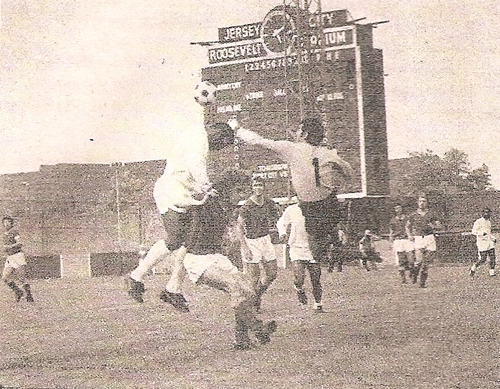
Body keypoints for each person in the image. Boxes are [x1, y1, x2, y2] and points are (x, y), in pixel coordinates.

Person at [125, 121, 228, 311]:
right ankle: (138, 277)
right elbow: (196, 166)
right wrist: (207, 187)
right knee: (178, 239)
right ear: (216, 133)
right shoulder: (200, 140)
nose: (218, 147)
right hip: (172, 190)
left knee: (188, 241)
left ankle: (171, 287)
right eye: (221, 142)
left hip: (181, 190)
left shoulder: (197, 136)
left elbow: (189, 172)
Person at [229, 117, 352, 274]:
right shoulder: (327, 153)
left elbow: (258, 141)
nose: (296, 132)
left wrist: (237, 129)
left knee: (316, 253)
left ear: (305, 134)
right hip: (329, 202)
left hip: (310, 206)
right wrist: (339, 184)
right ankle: (335, 237)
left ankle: (333, 240)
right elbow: (348, 170)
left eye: (299, 130)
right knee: (320, 245)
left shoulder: (291, 149)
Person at [183, 170, 277, 350]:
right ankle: (258, 328)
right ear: (228, 188)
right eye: (239, 190)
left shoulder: (227, 206)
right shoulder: (207, 202)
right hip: (197, 258)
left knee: (248, 290)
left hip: (217, 257)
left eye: (244, 190)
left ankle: (241, 340)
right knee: (234, 286)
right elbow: (189, 199)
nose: (242, 195)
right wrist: (201, 193)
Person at [236, 177, 280, 312]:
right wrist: (244, 247)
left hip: (265, 239)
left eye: (260, 185)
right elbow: (239, 227)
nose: (258, 188)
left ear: (264, 187)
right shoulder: (247, 206)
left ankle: (257, 296)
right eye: (256, 185)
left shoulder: (268, 202)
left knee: (272, 273)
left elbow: (277, 214)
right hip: (251, 242)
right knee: (254, 277)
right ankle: (252, 303)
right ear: (252, 187)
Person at [277, 199, 324, 312]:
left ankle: (318, 304)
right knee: (299, 276)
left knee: (316, 277)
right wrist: (282, 233)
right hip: (296, 247)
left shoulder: (316, 209)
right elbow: (281, 222)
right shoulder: (292, 209)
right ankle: (299, 288)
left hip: (312, 248)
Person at [406, 193, 442, 288]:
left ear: (427, 203)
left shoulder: (431, 214)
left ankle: (422, 283)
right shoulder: (413, 215)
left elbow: (439, 226)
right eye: (420, 201)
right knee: (419, 261)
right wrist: (409, 235)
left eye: (424, 201)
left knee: (426, 263)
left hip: (429, 237)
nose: (422, 203)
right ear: (417, 203)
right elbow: (407, 226)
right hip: (419, 238)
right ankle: (414, 274)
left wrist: (433, 226)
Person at [2, 216, 34, 302]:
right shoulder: (5, 234)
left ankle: (29, 296)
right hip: (10, 257)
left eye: (8, 222)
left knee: (21, 278)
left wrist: (9, 247)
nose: (6, 224)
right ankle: (18, 291)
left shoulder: (14, 232)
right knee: (5, 278)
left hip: (18, 256)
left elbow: (20, 243)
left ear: (11, 223)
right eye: (4, 222)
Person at [389, 204, 415, 284]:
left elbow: (412, 227)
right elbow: (391, 231)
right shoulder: (393, 220)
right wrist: (391, 241)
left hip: (407, 240)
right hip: (398, 240)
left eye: (399, 208)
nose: (398, 210)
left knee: (411, 259)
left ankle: (412, 273)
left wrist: (412, 236)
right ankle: (403, 280)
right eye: (396, 208)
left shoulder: (407, 218)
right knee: (401, 260)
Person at [470, 207, 496, 277]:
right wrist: (481, 233)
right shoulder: (478, 221)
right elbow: (473, 231)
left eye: (488, 212)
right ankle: (473, 267)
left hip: (489, 242)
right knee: (483, 259)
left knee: (492, 257)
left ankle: (492, 272)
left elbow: (489, 233)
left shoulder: (488, 222)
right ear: (482, 213)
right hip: (482, 243)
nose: (486, 214)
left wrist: (493, 238)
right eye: (485, 212)